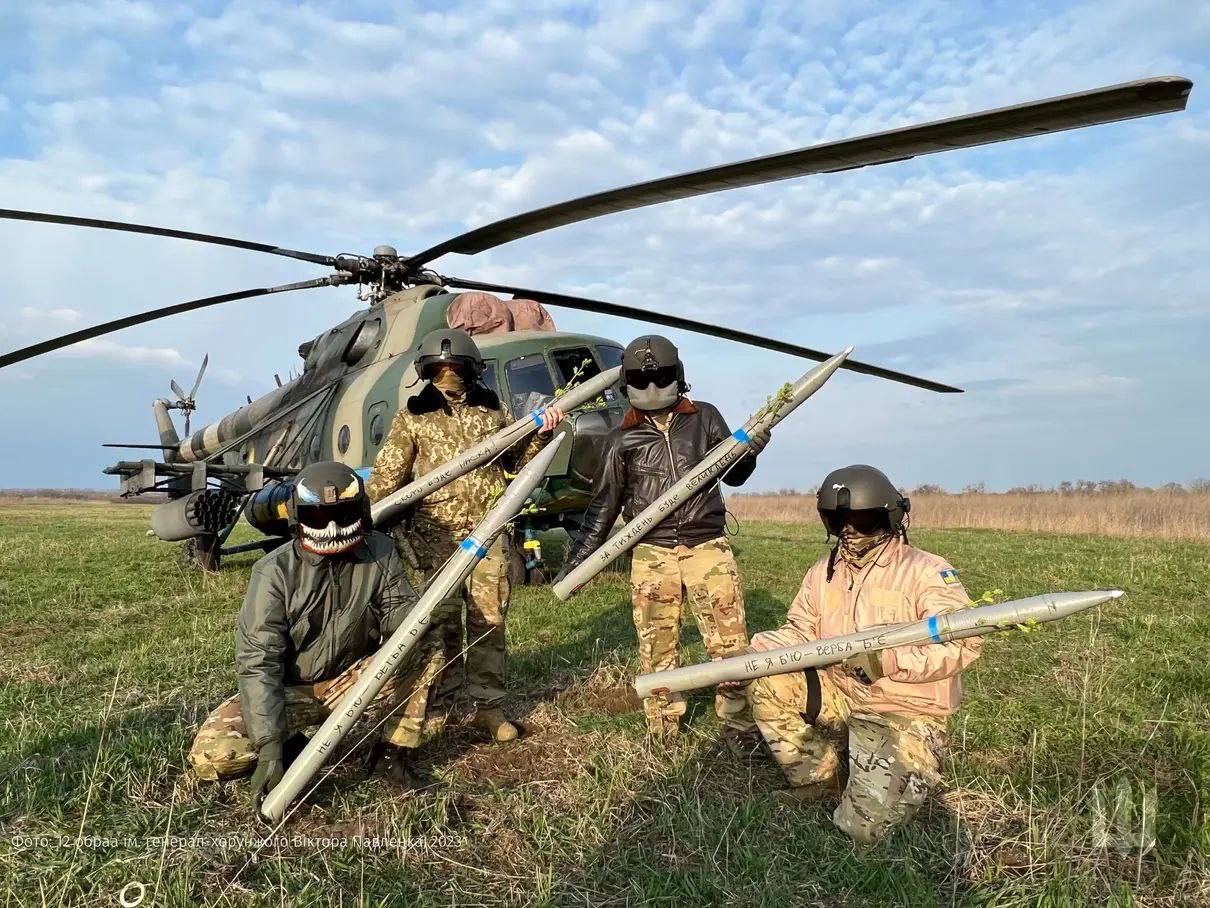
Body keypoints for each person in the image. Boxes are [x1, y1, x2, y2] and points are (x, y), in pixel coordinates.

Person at [743, 464, 981, 843]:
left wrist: (888, 661)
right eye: (840, 521)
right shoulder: (824, 571)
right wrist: (753, 654)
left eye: (864, 520)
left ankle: (909, 760)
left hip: (905, 709)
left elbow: (963, 643)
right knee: (765, 681)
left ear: (891, 516)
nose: (850, 532)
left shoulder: (927, 571)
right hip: (843, 694)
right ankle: (822, 777)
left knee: (862, 830)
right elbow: (800, 630)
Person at [188, 461, 433, 811]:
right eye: (318, 518)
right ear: (297, 519)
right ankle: (293, 748)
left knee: (426, 641)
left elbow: (402, 624)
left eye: (342, 514)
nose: (331, 528)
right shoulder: (272, 572)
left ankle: (392, 753)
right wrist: (270, 747)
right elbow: (259, 663)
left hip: (351, 682)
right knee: (211, 757)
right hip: (290, 691)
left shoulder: (380, 552)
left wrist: (419, 611)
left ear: (361, 512)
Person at [558, 335, 768, 742]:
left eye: (661, 378)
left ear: (678, 377)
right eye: (642, 379)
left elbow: (735, 474)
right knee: (657, 647)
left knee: (729, 643)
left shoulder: (705, 418)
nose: (652, 387)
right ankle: (664, 725)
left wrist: (751, 451)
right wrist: (578, 561)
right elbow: (604, 507)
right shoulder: (620, 440)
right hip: (652, 553)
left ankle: (738, 722)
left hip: (707, 546)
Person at [366, 328, 563, 743]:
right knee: (438, 625)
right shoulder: (412, 418)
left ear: (471, 369)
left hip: (488, 534)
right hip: (432, 538)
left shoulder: (492, 413)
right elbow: (386, 477)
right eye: (439, 368)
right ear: (426, 371)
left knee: (489, 621)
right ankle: (438, 704)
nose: (448, 374)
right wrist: (361, 515)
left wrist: (542, 431)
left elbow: (516, 459)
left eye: (455, 367)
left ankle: (488, 707)